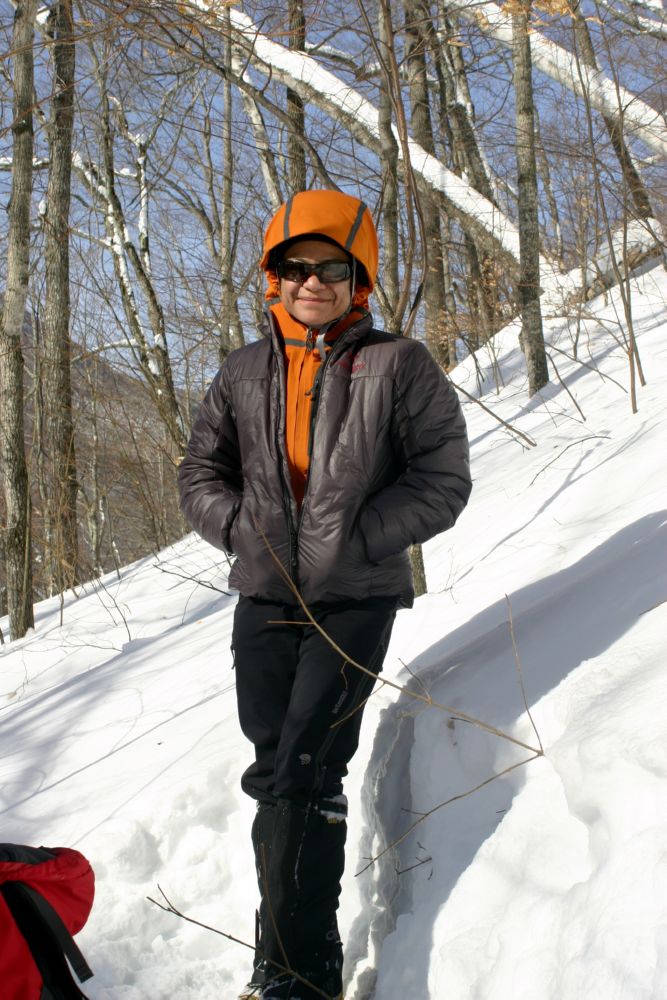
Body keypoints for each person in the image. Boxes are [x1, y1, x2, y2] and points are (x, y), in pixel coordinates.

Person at [177, 189, 472, 1000]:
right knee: (275, 768)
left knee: (308, 765)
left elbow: (442, 479)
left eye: (330, 268)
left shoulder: (399, 364)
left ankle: (298, 975)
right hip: (263, 595)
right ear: (273, 277)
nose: (312, 282)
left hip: (353, 598)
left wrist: (356, 539)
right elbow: (200, 472)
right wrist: (241, 530)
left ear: (358, 279)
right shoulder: (242, 370)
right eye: (294, 267)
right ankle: (278, 963)